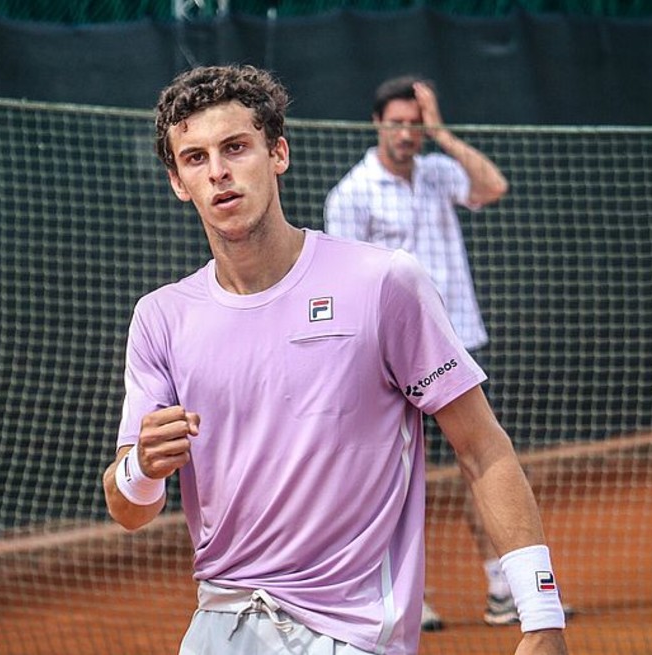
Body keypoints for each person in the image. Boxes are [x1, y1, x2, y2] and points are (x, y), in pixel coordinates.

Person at [103, 64, 567, 654]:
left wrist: (541, 613)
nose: (218, 172)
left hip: (350, 637)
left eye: (236, 147)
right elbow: (128, 509)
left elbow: (482, 449)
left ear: (278, 154)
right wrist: (141, 466)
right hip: (219, 628)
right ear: (176, 180)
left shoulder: (382, 283)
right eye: (195, 158)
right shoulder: (159, 318)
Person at [324, 75, 567, 630]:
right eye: (398, 123)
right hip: (390, 359)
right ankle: (404, 598)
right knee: (393, 478)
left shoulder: (435, 173)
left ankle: (504, 590)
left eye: (415, 124)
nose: (407, 133)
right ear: (376, 124)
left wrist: (443, 133)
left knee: (478, 461)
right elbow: (344, 278)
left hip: (458, 343)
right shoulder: (352, 193)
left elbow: (492, 187)